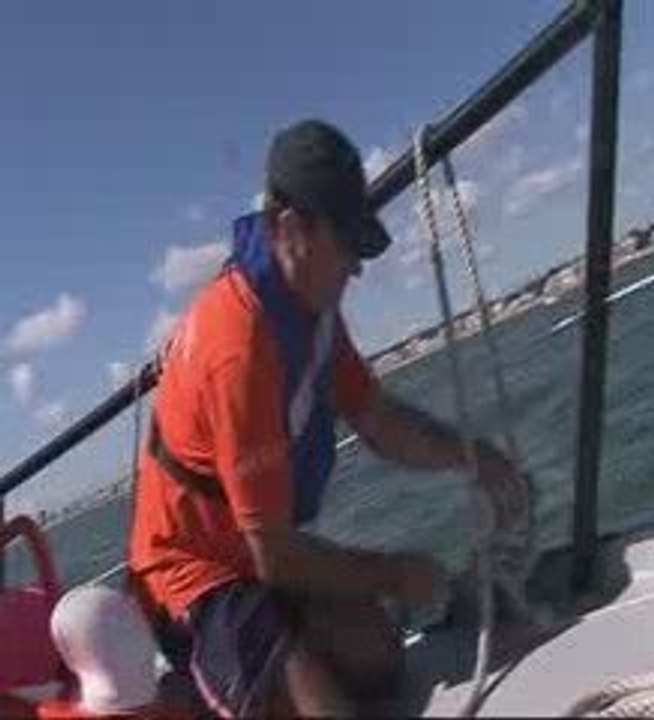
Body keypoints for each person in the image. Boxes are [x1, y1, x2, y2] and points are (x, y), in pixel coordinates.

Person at [128, 119, 526, 717]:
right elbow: (277, 556)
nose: (357, 269)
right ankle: (206, 680)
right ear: (291, 228)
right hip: (189, 574)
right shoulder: (237, 349)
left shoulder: (309, 312)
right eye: (346, 244)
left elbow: (378, 418)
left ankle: (267, 665)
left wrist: (480, 459)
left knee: (380, 658)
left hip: (249, 554)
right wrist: (395, 575)